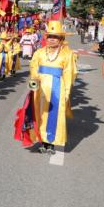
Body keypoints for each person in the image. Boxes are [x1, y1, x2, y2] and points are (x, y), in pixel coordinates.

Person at [29, 21, 76, 154]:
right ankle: (42, 140)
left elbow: (69, 73)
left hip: (57, 88)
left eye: (55, 37)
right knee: (40, 113)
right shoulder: (39, 52)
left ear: (61, 39)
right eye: (50, 36)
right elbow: (33, 69)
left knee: (55, 114)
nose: (52, 39)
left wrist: (67, 92)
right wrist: (33, 88)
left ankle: (51, 143)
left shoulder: (67, 54)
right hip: (40, 89)